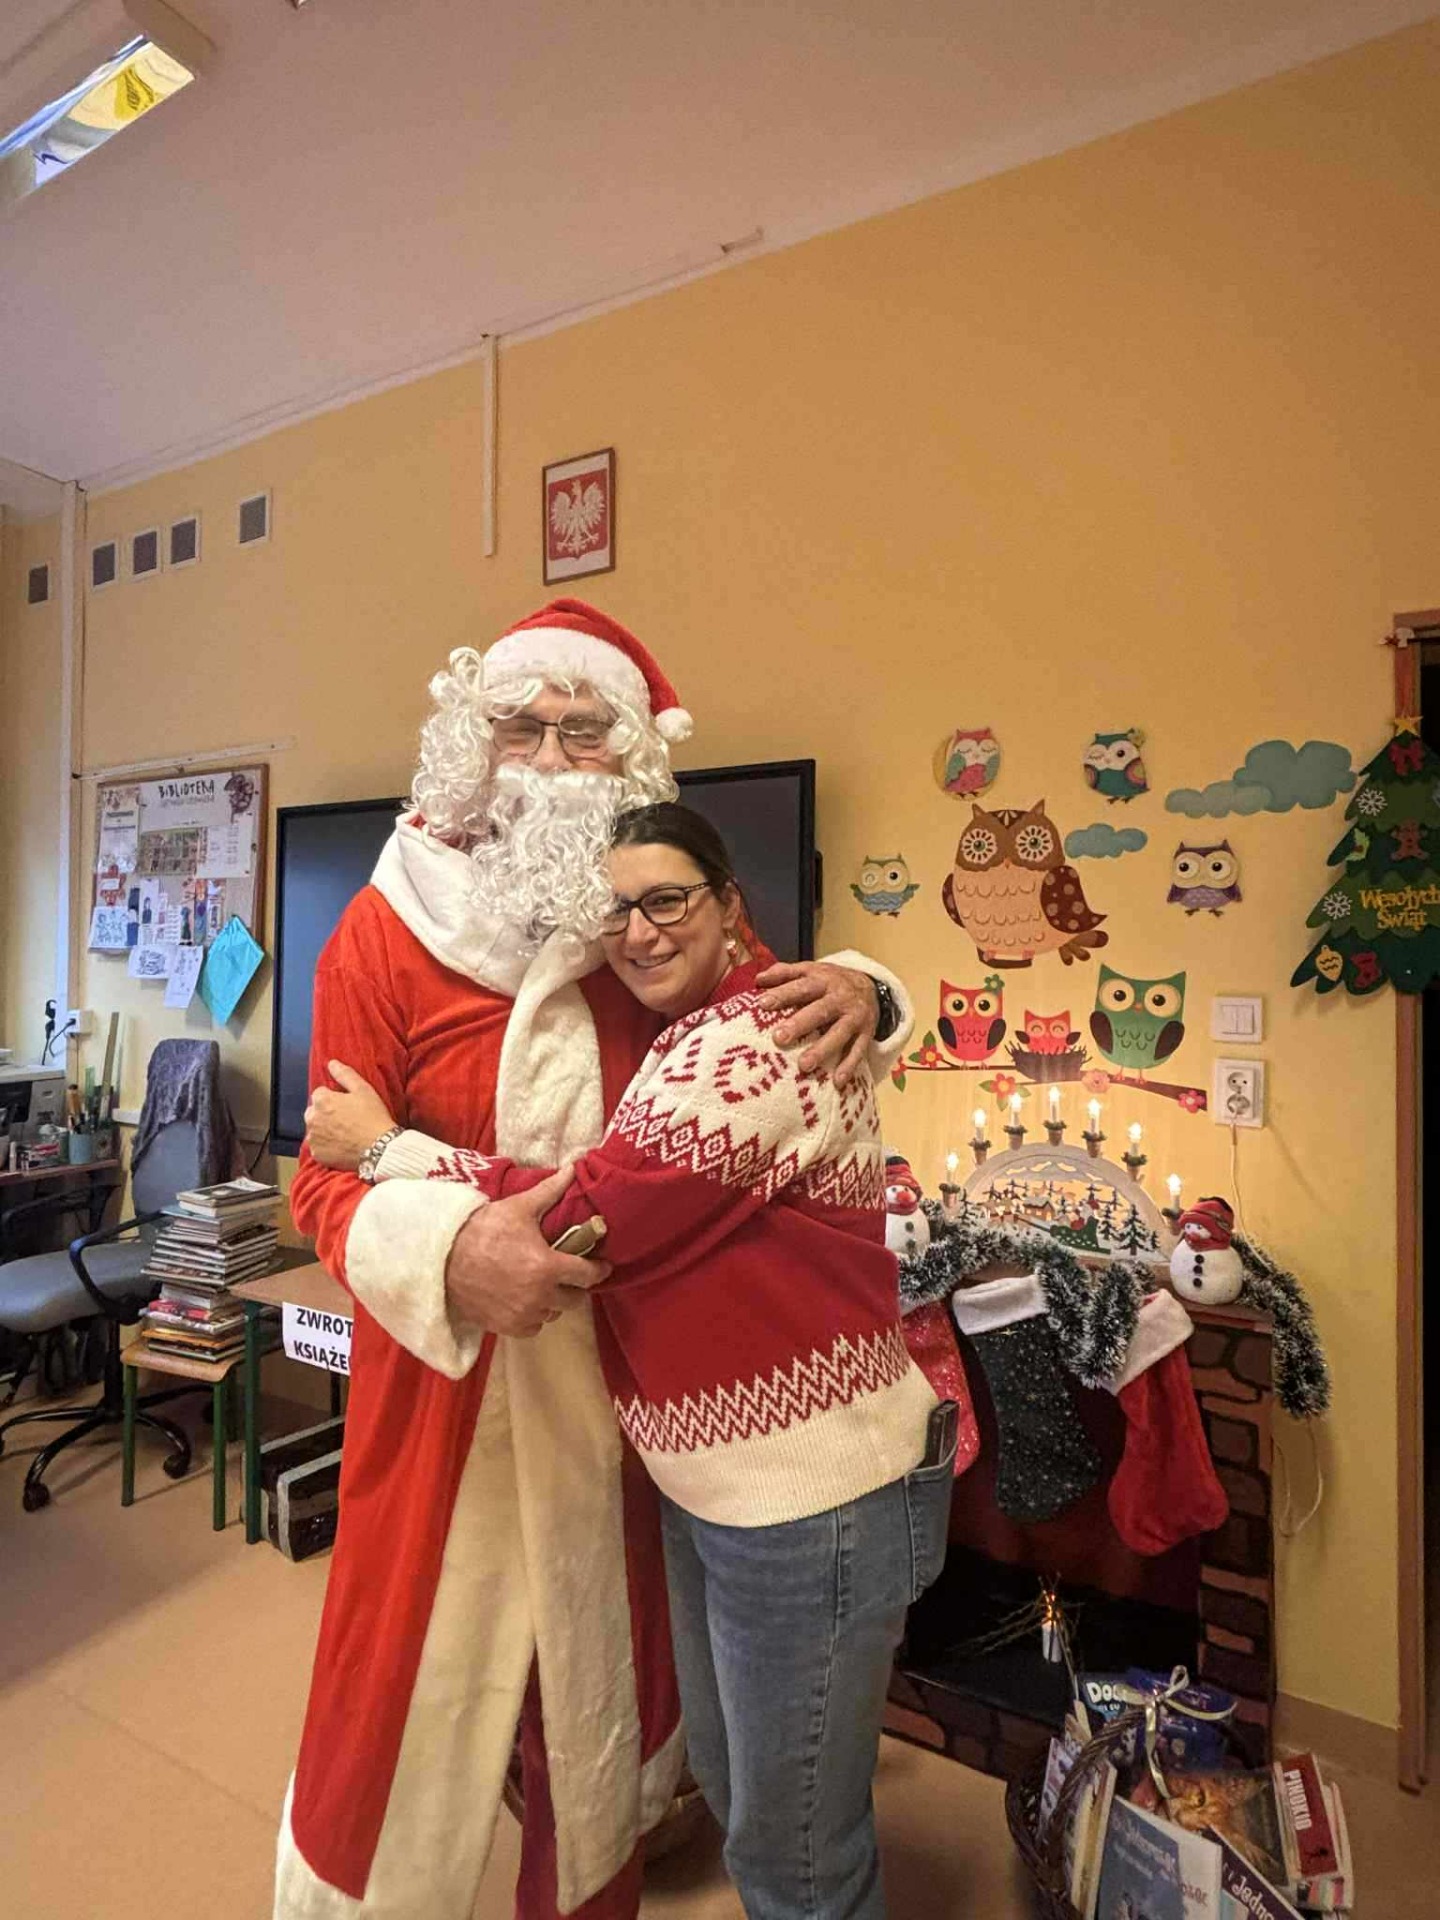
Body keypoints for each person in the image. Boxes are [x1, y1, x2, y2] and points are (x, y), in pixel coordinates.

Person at [278, 598, 911, 1920]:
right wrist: (453, 1253)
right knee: (406, 1721)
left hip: (639, 1406)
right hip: (444, 1400)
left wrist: (869, 986)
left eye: (585, 732)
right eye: (523, 727)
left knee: (599, 1723)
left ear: (634, 760)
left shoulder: (649, 929)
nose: (553, 759)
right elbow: (321, 1177)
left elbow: (780, 1019)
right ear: (473, 745)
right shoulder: (382, 932)